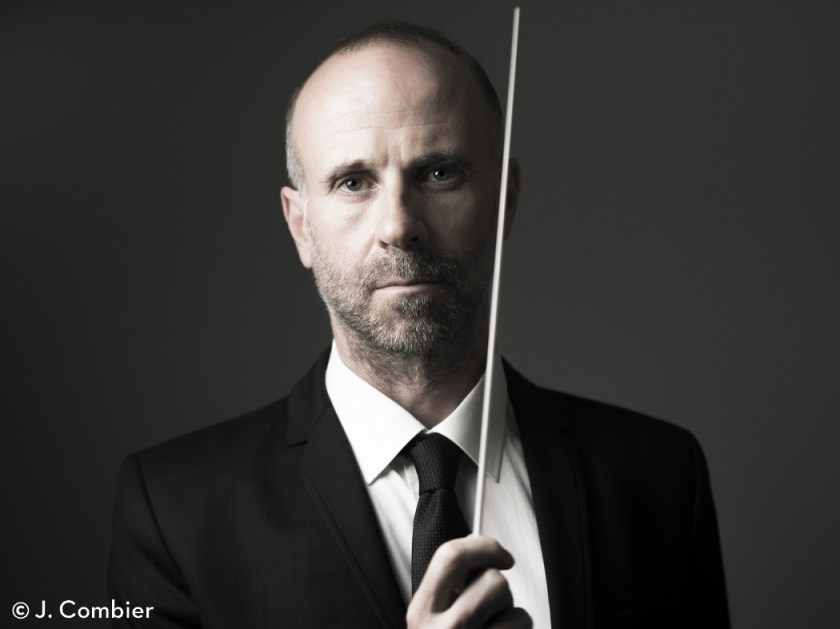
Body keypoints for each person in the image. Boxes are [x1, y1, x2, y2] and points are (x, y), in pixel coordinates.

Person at [108, 22, 730, 628]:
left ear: (505, 200)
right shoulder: (174, 510)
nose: (399, 226)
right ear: (301, 226)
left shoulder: (659, 476)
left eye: (438, 173)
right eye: (354, 182)